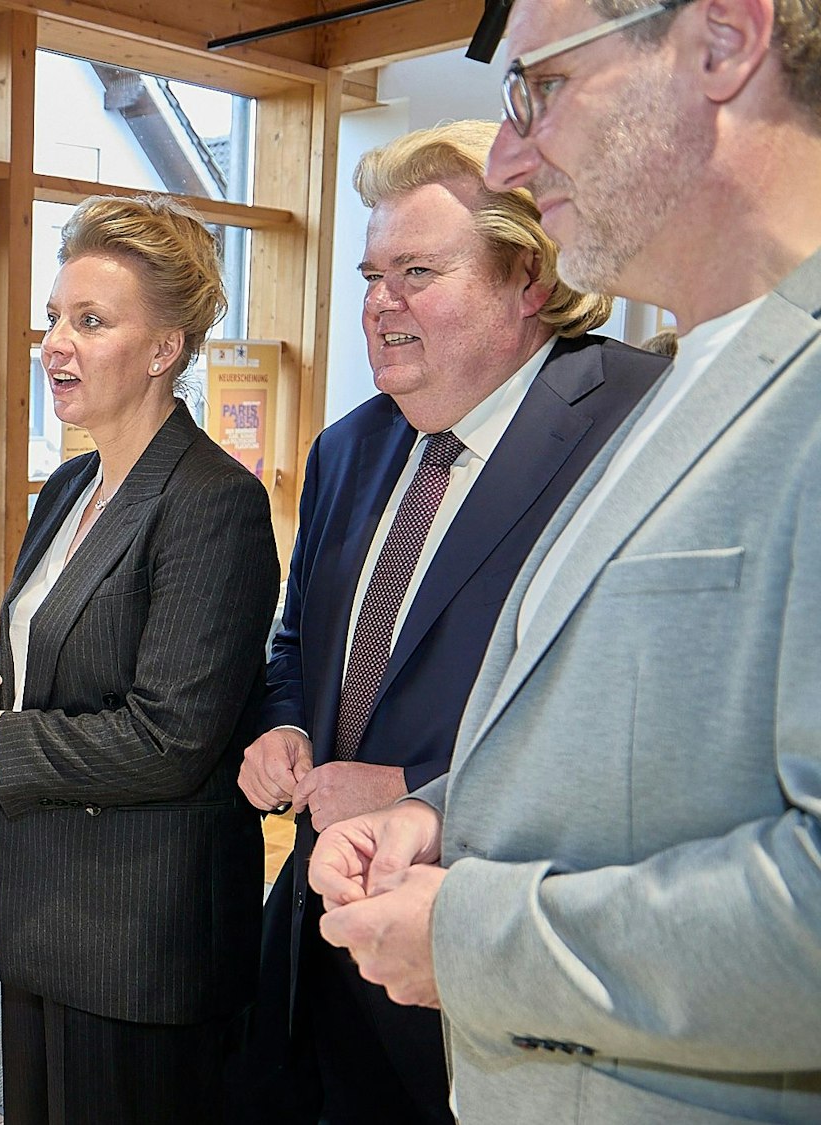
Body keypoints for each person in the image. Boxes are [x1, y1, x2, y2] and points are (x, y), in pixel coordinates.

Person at [312, 0, 821, 1120]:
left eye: (540, 87)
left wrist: (471, 935)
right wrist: (448, 813)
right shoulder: (687, 371)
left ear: (723, 41)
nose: (506, 151)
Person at [227, 121, 665, 1125]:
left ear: (526, 277)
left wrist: (424, 795)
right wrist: (286, 728)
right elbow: (296, 643)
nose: (379, 303)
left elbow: (638, 723)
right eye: (372, 273)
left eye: (416, 270)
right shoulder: (349, 447)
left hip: (495, 976)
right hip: (319, 940)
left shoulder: (634, 427)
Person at [0, 195, 279, 1122]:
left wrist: (1, 741)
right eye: (53, 317)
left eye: (90, 322)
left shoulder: (212, 502)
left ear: (165, 348)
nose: (55, 343)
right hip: (47, 907)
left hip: (139, 931)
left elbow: (171, 736)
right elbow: (50, 661)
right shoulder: (71, 485)